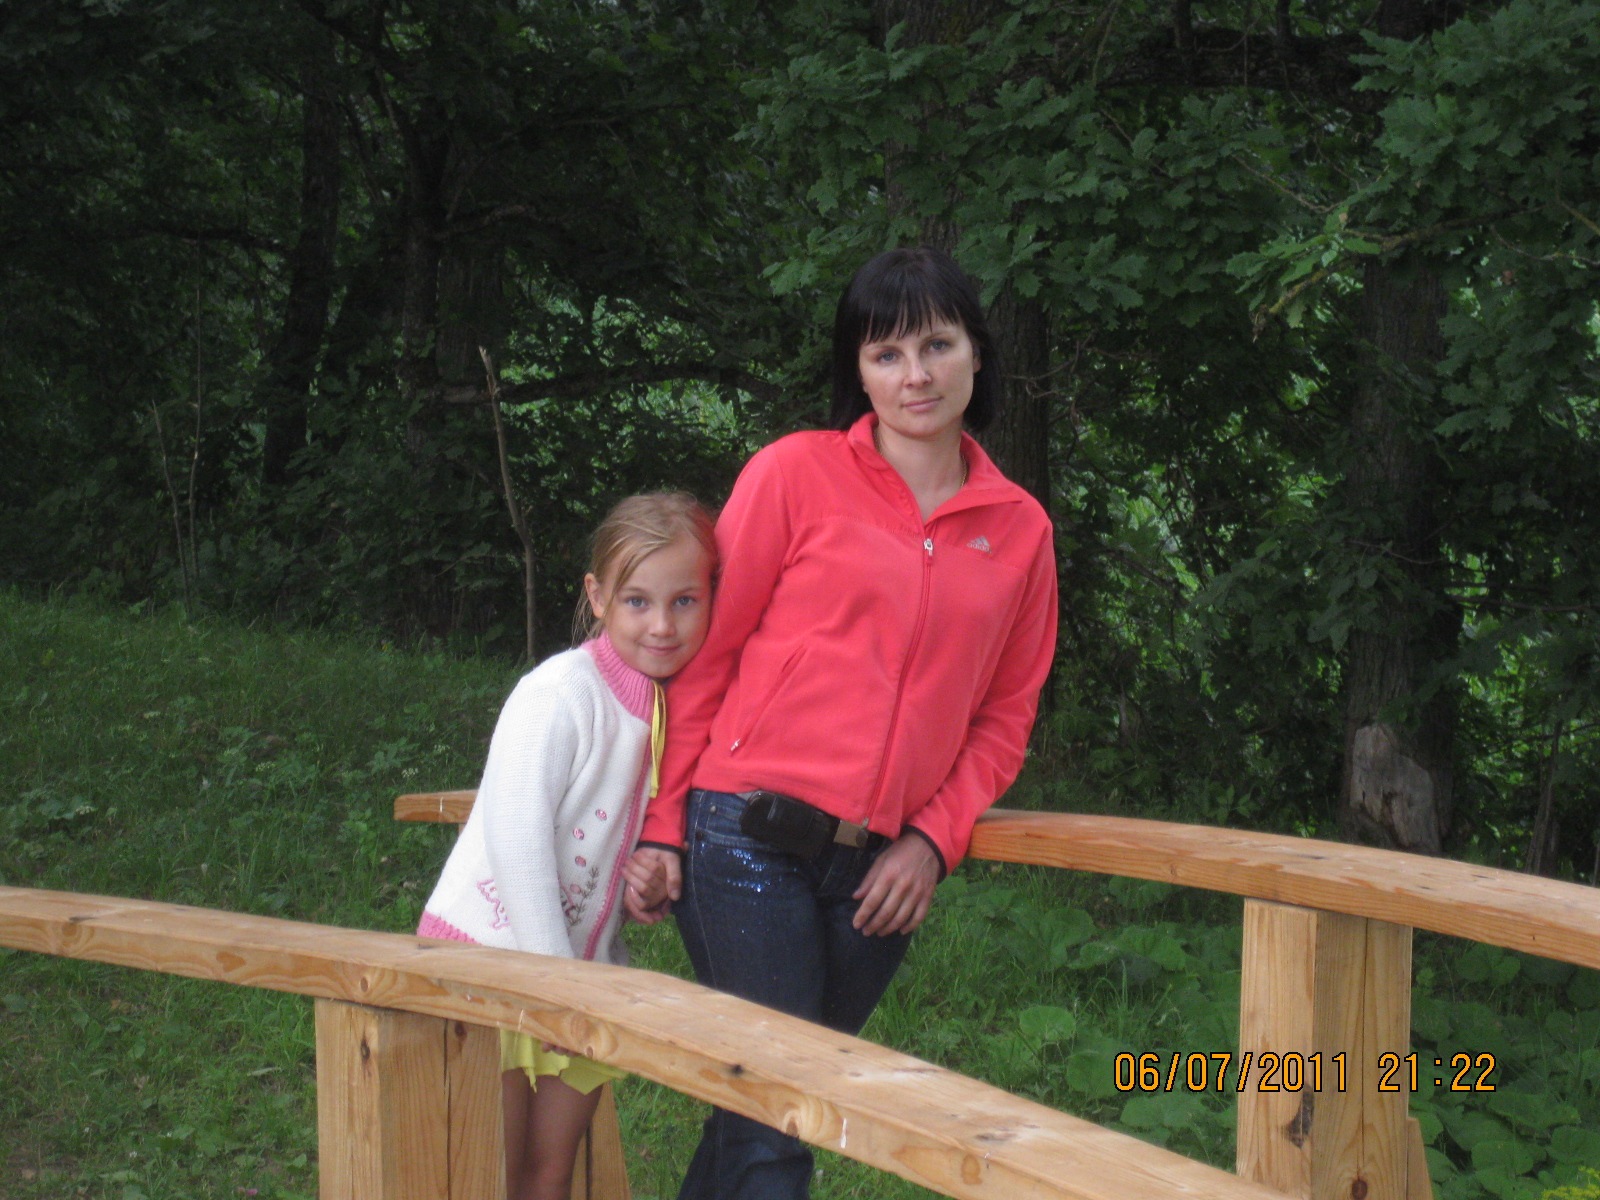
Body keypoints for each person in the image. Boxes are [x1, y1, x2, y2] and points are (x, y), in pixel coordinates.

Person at [624, 246, 1058, 1200]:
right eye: (886, 353)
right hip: (744, 834)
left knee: (757, 1110)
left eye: (937, 345)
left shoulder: (1021, 528)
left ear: (977, 354)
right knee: (786, 1119)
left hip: (878, 875)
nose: (915, 375)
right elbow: (707, 660)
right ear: (857, 371)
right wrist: (661, 825)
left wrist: (933, 842)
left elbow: (1004, 716)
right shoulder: (793, 474)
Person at [417, 491, 717, 1200]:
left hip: (585, 977)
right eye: (638, 601)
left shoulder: (673, 712)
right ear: (597, 596)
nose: (663, 625)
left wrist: (645, 886)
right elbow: (517, 837)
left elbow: (620, 844)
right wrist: (557, 989)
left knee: (547, 1176)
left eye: (685, 602)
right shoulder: (559, 692)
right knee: (487, 1173)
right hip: (492, 965)